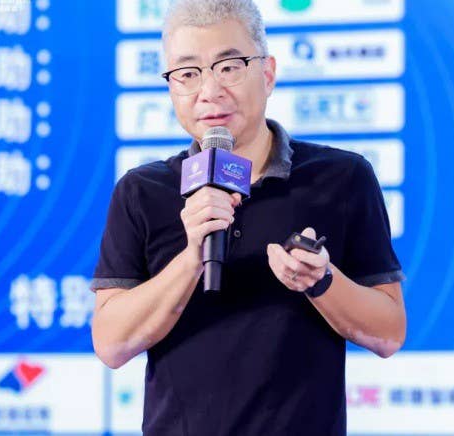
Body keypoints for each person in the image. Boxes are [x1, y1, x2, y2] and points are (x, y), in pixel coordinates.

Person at [90, 1, 406, 434]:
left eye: (229, 67)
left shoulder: (341, 177)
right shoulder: (143, 191)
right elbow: (110, 344)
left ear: (268, 73)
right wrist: (191, 258)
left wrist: (321, 281)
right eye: (187, 73)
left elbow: (389, 333)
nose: (209, 91)